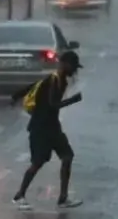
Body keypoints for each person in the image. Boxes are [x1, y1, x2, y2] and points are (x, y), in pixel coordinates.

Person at [9, 50, 84, 209]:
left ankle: (63, 198)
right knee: (37, 163)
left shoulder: (58, 79)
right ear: (64, 64)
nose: (74, 71)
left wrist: (15, 96)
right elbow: (52, 105)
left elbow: (32, 87)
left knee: (67, 156)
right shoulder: (54, 81)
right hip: (41, 128)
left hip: (52, 127)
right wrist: (73, 100)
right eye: (73, 66)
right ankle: (19, 196)